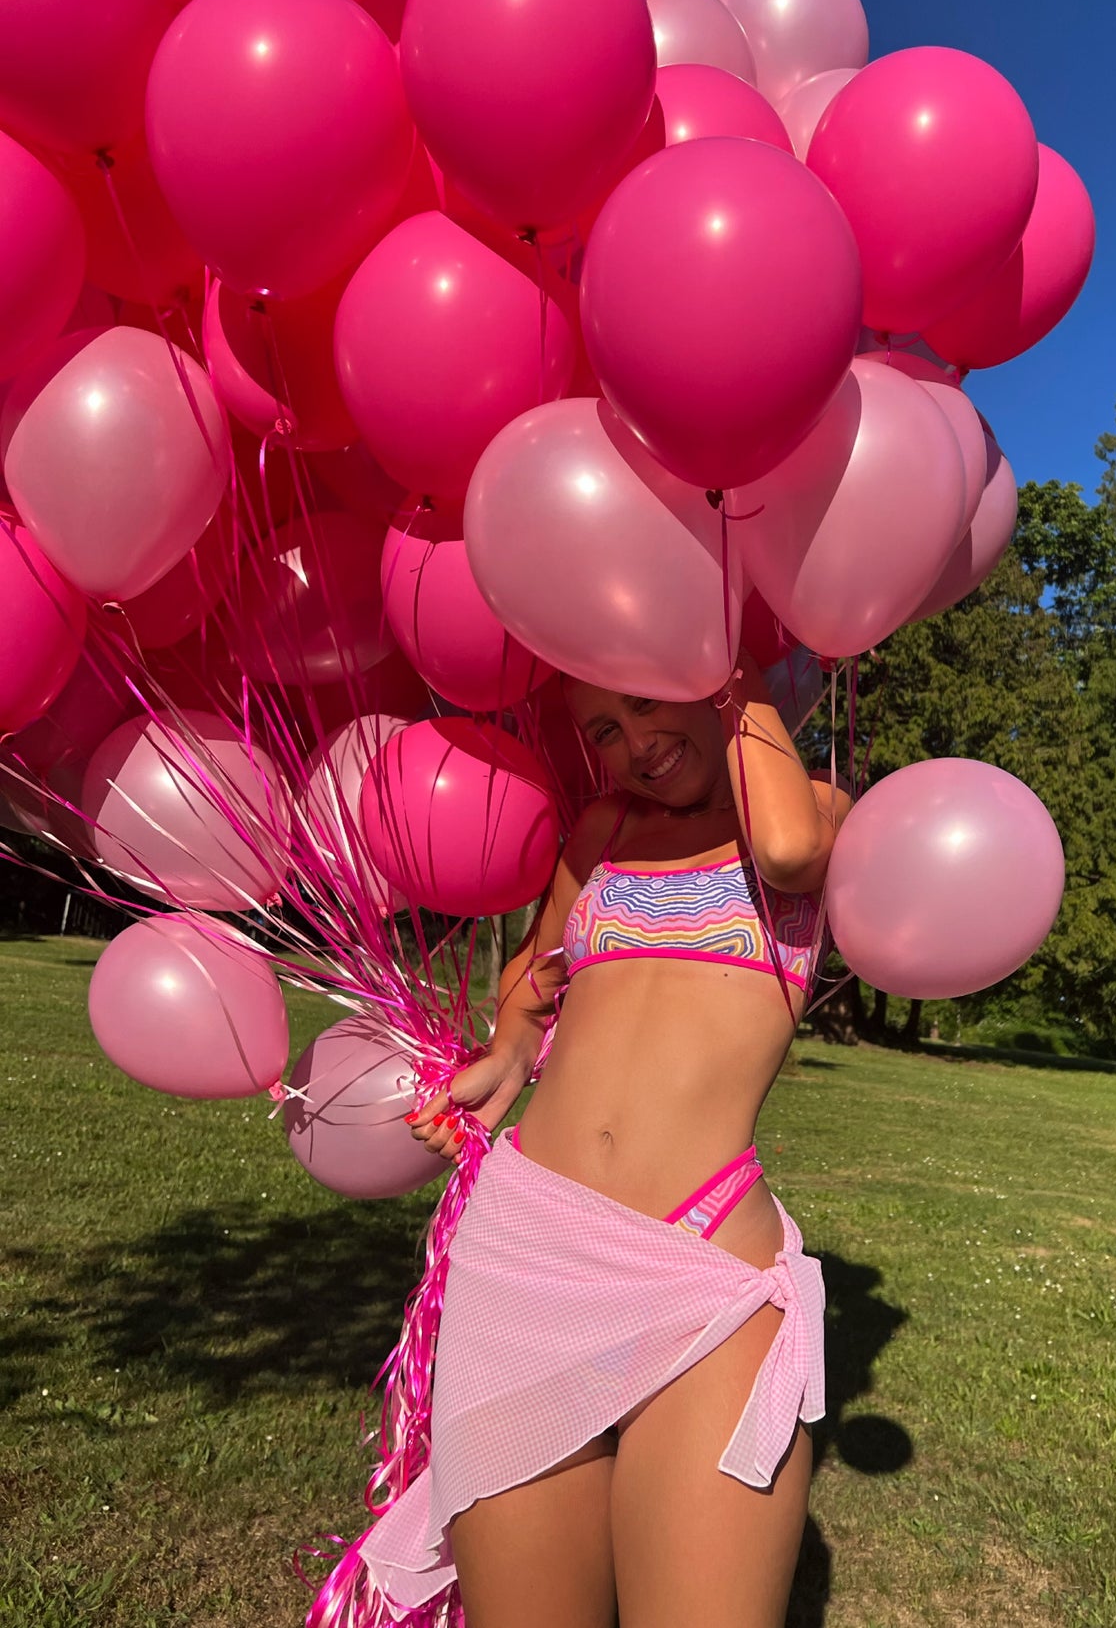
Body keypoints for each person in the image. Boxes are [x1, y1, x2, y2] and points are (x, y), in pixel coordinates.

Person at [359, 651, 849, 1628]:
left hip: (702, 1270)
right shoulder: (605, 828)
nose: (634, 745)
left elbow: (790, 851)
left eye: (644, 702)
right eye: (602, 731)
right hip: (523, 1251)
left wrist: (719, 666)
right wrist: (499, 1061)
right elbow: (535, 978)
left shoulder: (823, 810)